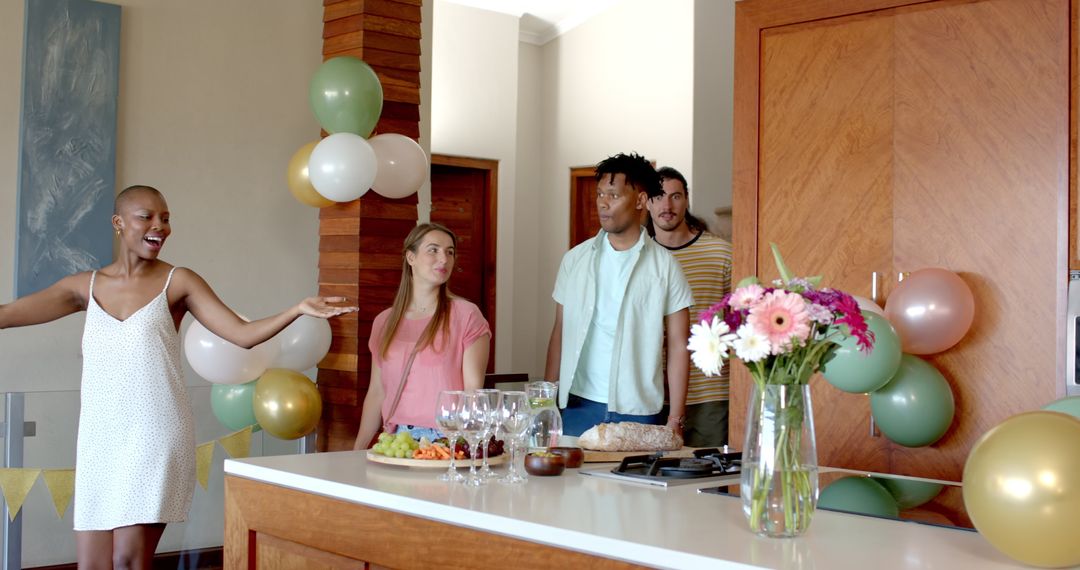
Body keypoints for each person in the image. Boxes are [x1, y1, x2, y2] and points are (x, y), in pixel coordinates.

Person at [0, 185, 356, 569]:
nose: (160, 226)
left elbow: (241, 334)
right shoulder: (83, 287)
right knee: (93, 565)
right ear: (118, 223)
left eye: (166, 218)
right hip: (99, 439)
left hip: (155, 433)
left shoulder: (178, 281)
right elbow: (7, 315)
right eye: (147, 217)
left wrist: (297, 310)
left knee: (127, 560)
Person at [545, 153, 693, 438]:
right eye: (600, 194)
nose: (603, 202)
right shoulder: (574, 260)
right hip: (576, 404)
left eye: (613, 195)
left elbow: (678, 344)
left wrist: (675, 418)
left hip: (638, 409)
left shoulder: (665, 266)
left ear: (640, 200)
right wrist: (547, 402)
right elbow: (560, 331)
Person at [353, 222, 491, 449]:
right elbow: (377, 392)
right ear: (411, 257)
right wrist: (358, 449)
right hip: (397, 442)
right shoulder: (384, 321)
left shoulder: (466, 315)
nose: (444, 259)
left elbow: (473, 392)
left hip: (445, 441)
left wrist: (464, 448)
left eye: (450, 252)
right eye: (433, 250)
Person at [646, 166, 734, 447]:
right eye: (658, 197)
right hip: (652, 394)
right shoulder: (639, 258)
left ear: (686, 200)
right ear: (646, 202)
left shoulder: (721, 253)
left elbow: (740, 321)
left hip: (710, 393)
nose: (667, 205)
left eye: (675, 196)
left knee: (711, 470)